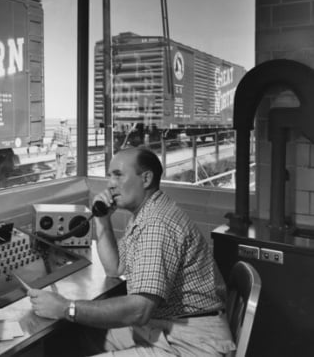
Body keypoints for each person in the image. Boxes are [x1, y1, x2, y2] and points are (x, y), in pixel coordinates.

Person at [27, 147, 235, 356]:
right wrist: (102, 220)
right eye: (109, 176)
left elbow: (139, 310)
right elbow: (114, 268)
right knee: (72, 337)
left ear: (146, 179)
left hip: (192, 344)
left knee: (73, 328)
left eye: (118, 175)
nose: (110, 184)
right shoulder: (146, 213)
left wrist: (67, 308)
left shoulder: (156, 224)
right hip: (166, 327)